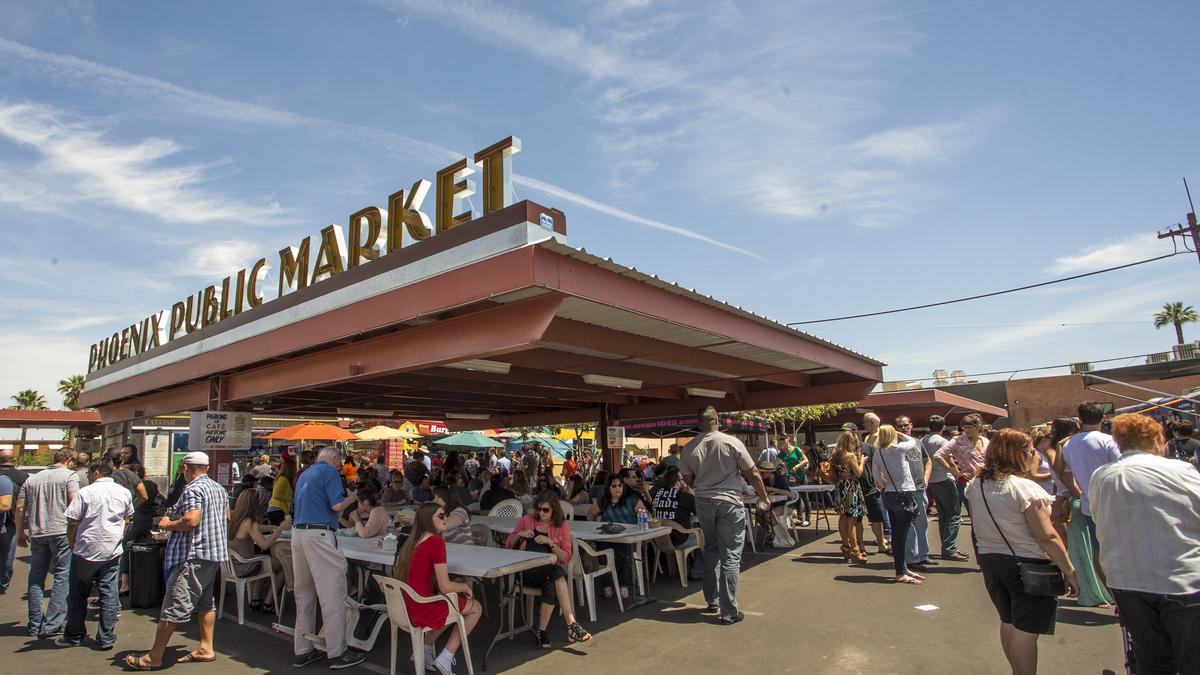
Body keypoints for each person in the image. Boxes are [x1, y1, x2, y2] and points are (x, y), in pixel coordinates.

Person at [1091, 413, 1200, 674]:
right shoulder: (1181, 470)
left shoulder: (1102, 476)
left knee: (1151, 660)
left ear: (1119, 442)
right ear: (1157, 439)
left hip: (1128, 579)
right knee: (1193, 659)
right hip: (1181, 577)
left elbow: (1098, 518)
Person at [964, 429, 1078, 675]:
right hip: (1027, 563)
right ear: (1018, 454)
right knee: (1026, 631)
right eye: (1030, 451)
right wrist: (1069, 570)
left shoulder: (976, 485)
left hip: (992, 561)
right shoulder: (1025, 488)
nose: (1033, 455)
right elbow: (1047, 536)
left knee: (1009, 621)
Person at [124, 452, 230, 670]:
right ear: (207, 468)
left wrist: (167, 524)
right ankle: (206, 646)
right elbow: (227, 516)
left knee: (173, 605)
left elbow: (191, 520)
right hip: (212, 554)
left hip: (192, 554)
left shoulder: (193, 489)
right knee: (206, 602)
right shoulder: (218, 488)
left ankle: (154, 656)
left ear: (185, 468)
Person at [681, 405, 770, 624]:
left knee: (711, 549)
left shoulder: (689, 447)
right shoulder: (731, 442)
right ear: (717, 421)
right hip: (729, 501)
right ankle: (729, 609)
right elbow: (753, 473)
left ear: (698, 424)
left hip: (703, 501)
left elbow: (688, 479)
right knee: (730, 553)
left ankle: (712, 599)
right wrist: (763, 497)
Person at [288, 446, 365, 669]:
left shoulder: (305, 474)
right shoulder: (330, 473)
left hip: (298, 533)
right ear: (333, 458)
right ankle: (337, 652)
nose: (341, 465)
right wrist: (353, 496)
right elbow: (336, 506)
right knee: (333, 595)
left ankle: (302, 650)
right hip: (320, 534)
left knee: (304, 595)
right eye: (339, 460)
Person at [393, 502, 483, 674]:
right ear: (428, 519)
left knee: (450, 606)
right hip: (423, 607)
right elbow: (445, 586)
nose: (445, 518)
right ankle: (446, 657)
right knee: (475, 608)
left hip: (407, 606)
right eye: (441, 516)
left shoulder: (412, 540)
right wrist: (465, 586)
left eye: (445, 514)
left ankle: (425, 650)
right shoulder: (435, 542)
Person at [56, 460, 133, 650]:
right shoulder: (123, 492)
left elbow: (72, 521)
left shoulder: (86, 492)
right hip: (112, 550)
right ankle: (106, 637)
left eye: (89, 473)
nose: (89, 477)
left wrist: (72, 542)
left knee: (78, 594)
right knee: (109, 593)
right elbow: (127, 517)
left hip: (86, 549)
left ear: (97, 472)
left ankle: (75, 635)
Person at [505, 492, 592, 648]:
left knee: (551, 585)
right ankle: (571, 624)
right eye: (539, 509)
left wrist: (551, 543)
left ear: (554, 510)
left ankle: (542, 632)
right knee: (557, 573)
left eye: (545, 510)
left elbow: (565, 557)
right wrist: (520, 534)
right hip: (526, 570)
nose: (541, 513)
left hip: (547, 573)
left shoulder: (561, 526)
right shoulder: (527, 520)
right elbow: (508, 544)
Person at [15, 448, 79, 638]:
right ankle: (52, 624)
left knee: (36, 577)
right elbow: (74, 503)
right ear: (68, 460)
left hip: (37, 531)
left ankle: (35, 624)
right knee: (62, 576)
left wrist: (19, 531)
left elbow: (19, 507)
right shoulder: (70, 476)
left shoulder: (32, 479)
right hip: (61, 531)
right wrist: (76, 530)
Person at [1049, 417, 1113, 608]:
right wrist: (1084, 496)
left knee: (1083, 549)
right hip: (1077, 501)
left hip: (1075, 500)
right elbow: (1065, 476)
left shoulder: (1062, 449)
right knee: (1086, 550)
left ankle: (1093, 591)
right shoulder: (1064, 449)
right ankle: (1094, 592)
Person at [1057, 402, 1119, 558]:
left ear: (1080, 419)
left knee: (1099, 551)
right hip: (1115, 503)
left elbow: (1066, 475)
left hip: (1090, 506)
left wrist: (1081, 494)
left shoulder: (1068, 445)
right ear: (1103, 418)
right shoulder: (1109, 441)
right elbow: (1122, 469)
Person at [871, 425, 925, 585]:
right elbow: (912, 441)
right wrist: (900, 433)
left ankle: (902, 567)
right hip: (905, 492)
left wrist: (885, 483)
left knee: (896, 533)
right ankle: (900, 572)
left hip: (889, 493)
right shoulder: (899, 448)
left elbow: (876, 477)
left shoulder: (878, 453)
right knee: (902, 535)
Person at [587, 474, 648, 599]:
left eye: (620, 485)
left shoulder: (632, 500)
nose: (617, 488)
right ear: (608, 488)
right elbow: (591, 513)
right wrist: (594, 526)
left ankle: (623, 585)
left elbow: (647, 515)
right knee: (601, 552)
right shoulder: (603, 500)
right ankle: (606, 585)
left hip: (627, 537)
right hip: (607, 536)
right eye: (614, 486)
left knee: (622, 553)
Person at [228, 489, 288, 612]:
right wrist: (279, 530)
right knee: (283, 566)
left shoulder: (236, 519)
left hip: (235, 565)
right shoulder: (250, 522)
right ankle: (269, 602)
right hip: (246, 566)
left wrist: (272, 527)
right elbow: (264, 545)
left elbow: (257, 528)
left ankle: (255, 598)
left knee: (266, 564)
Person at [922, 415, 968, 561]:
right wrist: (956, 473)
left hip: (932, 480)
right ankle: (949, 548)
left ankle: (947, 546)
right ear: (943, 427)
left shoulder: (923, 440)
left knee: (943, 514)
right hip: (944, 478)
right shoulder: (942, 441)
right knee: (953, 514)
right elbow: (948, 459)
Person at [895, 415, 937, 571]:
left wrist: (926, 477)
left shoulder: (918, 442)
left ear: (911, 425)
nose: (904, 428)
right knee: (910, 526)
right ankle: (912, 559)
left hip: (920, 488)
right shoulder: (895, 445)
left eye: (906, 425)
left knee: (922, 524)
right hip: (905, 490)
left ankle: (923, 555)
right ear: (895, 429)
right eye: (900, 426)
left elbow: (928, 460)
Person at [651, 466, 701, 576]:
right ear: (677, 481)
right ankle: (697, 571)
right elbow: (701, 514)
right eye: (683, 479)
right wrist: (691, 493)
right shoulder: (685, 497)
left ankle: (683, 567)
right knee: (706, 536)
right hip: (680, 540)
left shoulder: (657, 495)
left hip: (659, 539)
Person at [830, 430, 867, 563]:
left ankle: (845, 546)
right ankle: (855, 549)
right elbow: (858, 473)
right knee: (852, 520)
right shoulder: (850, 456)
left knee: (842, 517)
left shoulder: (835, 454)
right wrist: (862, 462)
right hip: (850, 487)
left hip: (840, 486)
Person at [860, 413, 892, 555]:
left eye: (866, 422)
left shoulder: (882, 435)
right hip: (873, 477)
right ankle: (884, 535)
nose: (864, 425)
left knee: (883, 507)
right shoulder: (867, 438)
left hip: (883, 478)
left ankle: (888, 534)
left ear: (873, 423)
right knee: (879, 509)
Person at [0, 448, 29, 594]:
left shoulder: (3, 478)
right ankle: (2, 585)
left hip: (6, 520)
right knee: (7, 557)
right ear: (14, 459)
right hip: (12, 521)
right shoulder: (23, 476)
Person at [265, 457, 297, 526]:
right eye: (295, 468)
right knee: (280, 530)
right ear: (290, 469)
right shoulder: (283, 479)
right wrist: (290, 499)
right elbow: (276, 494)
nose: (296, 470)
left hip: (278, 509)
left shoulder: (284, 479)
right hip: (277, 509)